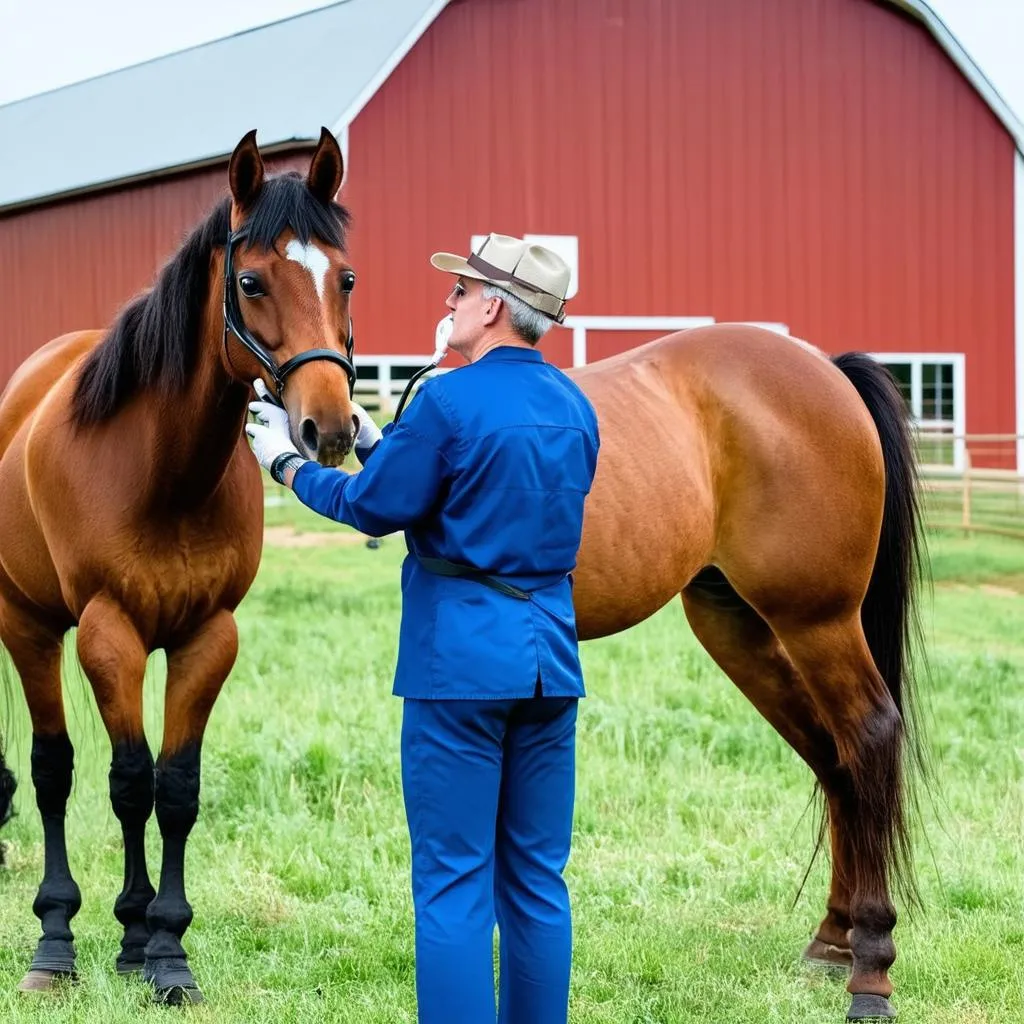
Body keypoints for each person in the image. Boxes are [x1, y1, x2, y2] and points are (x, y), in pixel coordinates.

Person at [245, 233, 600, 1024]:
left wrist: (285, 464)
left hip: (461, 667)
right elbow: (474, 483)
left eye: (462, 291)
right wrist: (381, 440)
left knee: (452, 880)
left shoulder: (447, 399)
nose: (449, 302)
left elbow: (374, 507)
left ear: (495, 307)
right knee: (538, 878)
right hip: (550, 663)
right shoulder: (575, 405)